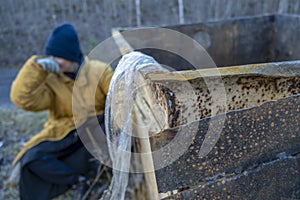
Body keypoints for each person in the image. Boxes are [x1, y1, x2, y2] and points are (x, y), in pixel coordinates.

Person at [9, 22, 113, 200]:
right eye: (50, 55)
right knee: (31, 159)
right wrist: (35, 68)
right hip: (65, 133)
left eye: (58, 56)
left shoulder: (99, 70)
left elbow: (118, 98)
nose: (53, 60)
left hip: (95, 130)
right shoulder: (49, 78)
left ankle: (100, 175)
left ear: (70, 55)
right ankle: (78, 180)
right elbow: (22, 100)